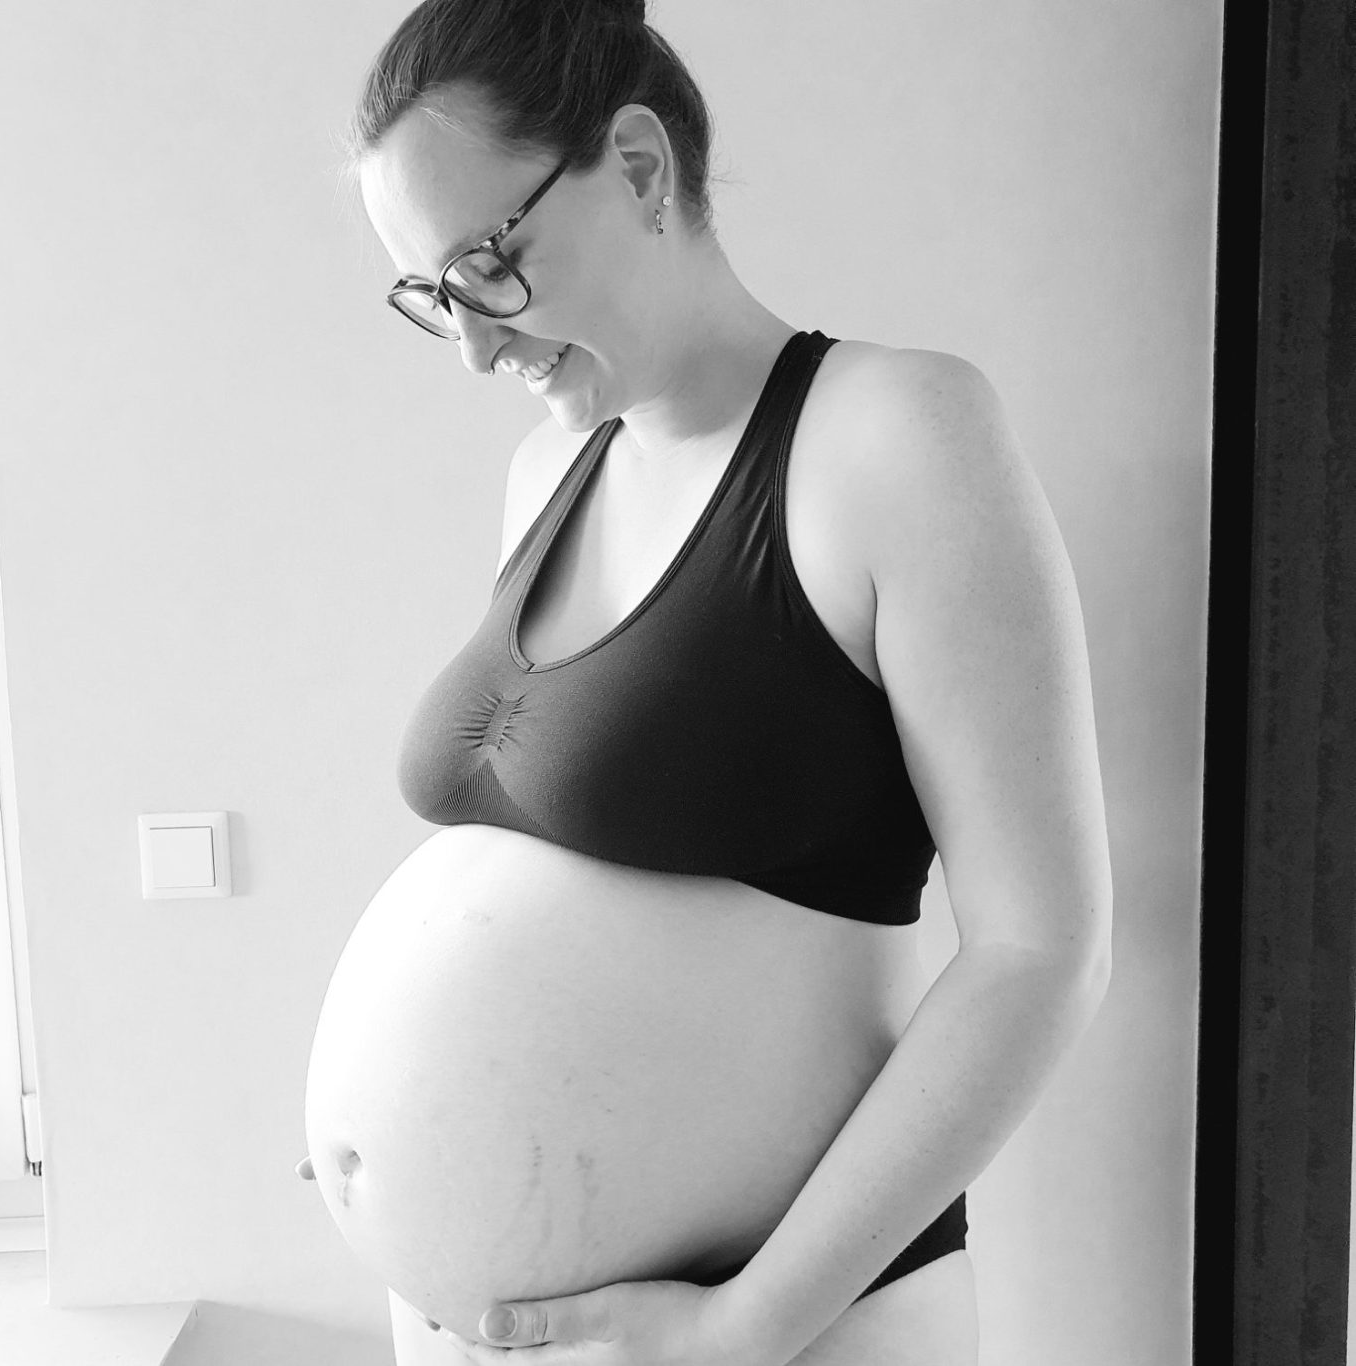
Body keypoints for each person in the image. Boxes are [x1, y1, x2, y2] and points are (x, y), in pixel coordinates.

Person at [298, 2, 1113, 1363]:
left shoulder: (894, 435)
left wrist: (743, 1327)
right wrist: (416, 1139)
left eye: (487, 267)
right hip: (481, 1326)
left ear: (637, 165)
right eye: (435, 297)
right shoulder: (545, 475)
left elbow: (1042, 952)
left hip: (783, 1325)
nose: (476, 348)